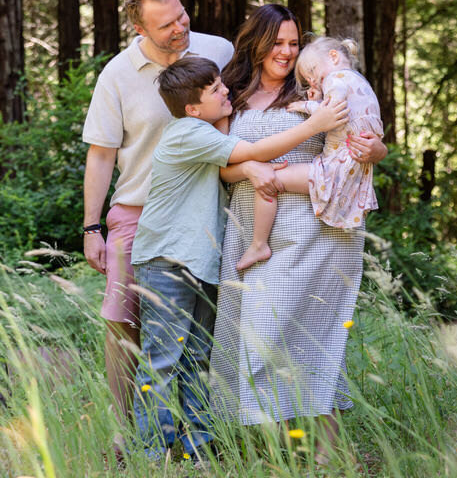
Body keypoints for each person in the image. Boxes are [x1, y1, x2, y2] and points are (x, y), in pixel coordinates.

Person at [129, 57, 348, 460]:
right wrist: (313, 126)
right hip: (166, 261)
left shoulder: (202, 132)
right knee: (162, 359)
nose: (225, 89)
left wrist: (248, 165)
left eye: (220, 84)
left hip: (199, 261)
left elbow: (238, 161)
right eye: (214, 89)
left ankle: (197, 448)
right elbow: (252, 150)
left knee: (196, 357)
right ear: (193, 107)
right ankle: (150, 453)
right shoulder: (187, 132)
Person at [209, 5, 386, 464]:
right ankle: (268, 450)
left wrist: (378, 148)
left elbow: (365, 138)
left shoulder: (317, 85)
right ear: (256, 42)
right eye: (277, 43)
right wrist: (249, 166)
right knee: (258, 336)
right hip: (253, 229)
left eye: (293, 43)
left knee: (313, 336)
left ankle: (326, 454)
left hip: (316, 230)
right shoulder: (234, 94)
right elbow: (223, 170)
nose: (286, 52)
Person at [81, 0, 234, 448]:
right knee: (124, 321)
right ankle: (127, 429)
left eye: (182, 15)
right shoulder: (118, 74)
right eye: (166, 25)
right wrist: (91, 227)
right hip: (138, 212)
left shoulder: (218, 51)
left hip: (205, 209)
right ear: (138, 26)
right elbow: (102, 154)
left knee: (201, 329)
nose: (179, 29)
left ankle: (196, 430)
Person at [236, 35, 383, 271]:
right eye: (309, 80)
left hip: (335, 167)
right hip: (352, 166)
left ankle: (259, 244)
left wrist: (304, 106)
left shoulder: (336, 79)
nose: (313, 82)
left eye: (314, 74)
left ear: (333, 57)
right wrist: (320, 95)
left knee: (269, 178)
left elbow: (331, 114)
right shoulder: (360, 83)